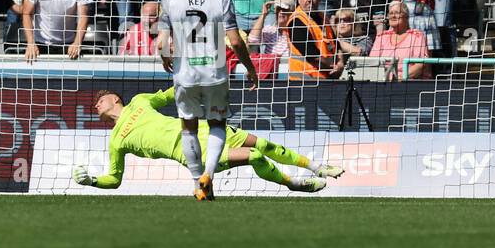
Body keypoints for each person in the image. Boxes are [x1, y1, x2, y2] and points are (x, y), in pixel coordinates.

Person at [74, 87, 341, 194]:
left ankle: (316, 166)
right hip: (195, 154)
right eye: (95, 103)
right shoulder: (116, 140)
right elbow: (115, 178)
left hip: (206, 129)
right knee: (255, 157)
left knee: (264, 145)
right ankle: (292, 183)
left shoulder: (139, 102)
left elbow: (170, 94)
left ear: (115, 99)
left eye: (100, 99)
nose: (96, 104)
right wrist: (93, 180)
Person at [154, 0, 259, 200]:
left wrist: (166, 58)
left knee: (188, 128)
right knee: (217, 124)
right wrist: (250, 68)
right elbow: (235, 41)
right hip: (214, 74)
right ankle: (208, 176)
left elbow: (160, 42)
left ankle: (195, 180)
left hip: (185, 74)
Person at [369, 1, 432, 81]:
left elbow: (420, 65)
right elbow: (372, 62)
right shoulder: (382, 37)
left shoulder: (417, 36)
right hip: (382, 80)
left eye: (397, 13)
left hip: (407, 81)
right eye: (391, 13)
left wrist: (401, 77)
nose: (393, 16)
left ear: (406, 16)